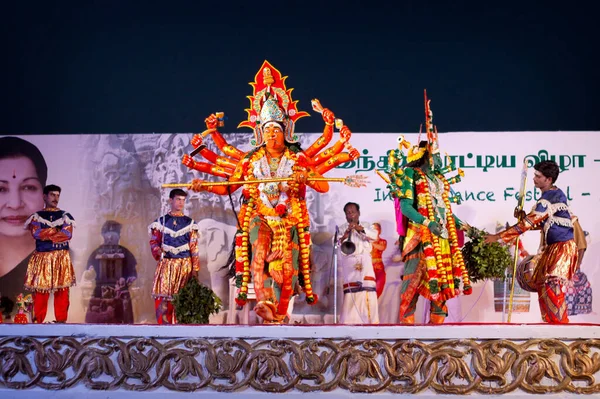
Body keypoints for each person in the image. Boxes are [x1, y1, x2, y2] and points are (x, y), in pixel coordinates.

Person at [184, 61, 359, 324]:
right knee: (259, 254)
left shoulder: (298, 158)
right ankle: (265, 303)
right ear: (260, 133)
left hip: (290, 222)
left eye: (276, 130)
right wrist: (200, 182)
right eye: (266, 130)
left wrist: (306, 176)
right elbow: (227, 188)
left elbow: (322, 186)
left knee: (285, 269)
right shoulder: (250, 161)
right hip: (260, 218)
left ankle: (278, 313)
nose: (271, 135)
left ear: (286, 131)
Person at [381, 93, 473, 325]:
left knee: (442, 279)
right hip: (421, 237)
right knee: (413, 279)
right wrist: (428, 223)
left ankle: (436, 330)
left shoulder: (440, 180)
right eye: (435, 153)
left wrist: (463, 225)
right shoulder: (412, 174)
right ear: (424, 155)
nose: (440, 158)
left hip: (442, 237)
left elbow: (443, 209)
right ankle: (405, 329)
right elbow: (406, 207)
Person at [485, 160, 578, 323]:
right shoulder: (551, 195)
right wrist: (523, 217)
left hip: (562, 248)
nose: (534, 179)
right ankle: (550, 329)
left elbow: (529, 223)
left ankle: (561, 330)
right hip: (553, 248)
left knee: (552, 287)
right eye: (534, 175)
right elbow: (540, 223)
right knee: (544, 286)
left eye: (538, 176)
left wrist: (498, 237)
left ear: (548, 179)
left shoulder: (550, 198)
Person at [0, 136, 47, 321]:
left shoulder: (63, 263)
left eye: (28, 187)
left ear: (45, 195)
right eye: (0, 189)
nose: (15, 204)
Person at [24, 184, 76, 323]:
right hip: (42, 257)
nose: (55, 198)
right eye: (52, 195)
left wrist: (47, 232)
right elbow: (36, 233)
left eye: (58, 195)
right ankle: (38, 322)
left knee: (62, 291)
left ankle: (61, 322)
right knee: (41, 289)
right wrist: (56, 231)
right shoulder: (37, 216)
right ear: (44, 196)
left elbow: (67, 234)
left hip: (61, 257)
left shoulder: (65, 215)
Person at [148, 189, 200, 324]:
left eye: (183, 200)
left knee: (182, 297)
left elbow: (194, 247)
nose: (181, 203)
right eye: (178, 199)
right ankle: (164, 329)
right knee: (164, 296)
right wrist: (158, 251)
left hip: (184, 266)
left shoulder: (190, 223)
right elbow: (154, 241)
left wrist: (195, 268)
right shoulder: (161, 222)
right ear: (171, 200)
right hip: (167, 264)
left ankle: (181, 328)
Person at [337, 202, 379, 324]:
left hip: (365, 264)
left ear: (358, 213)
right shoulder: (341, 228)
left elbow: (374, 236)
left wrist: (360, 229)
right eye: (348, 213)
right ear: (345, 216)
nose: (351, 215)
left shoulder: (367, 225)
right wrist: (345, 235)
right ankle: (349, 323)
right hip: (349, 265)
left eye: (353, 212)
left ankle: (370, 322)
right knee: (351, 295)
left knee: (367, 292)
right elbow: (336, 244)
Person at [370, 223, 387, 298]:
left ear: (380, 231)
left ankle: (373, 304)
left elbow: (382, 248)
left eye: (376, 229)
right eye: (373, 229)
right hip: (369, 268)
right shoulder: (367, 241)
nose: (375, 231)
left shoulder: (383, 241)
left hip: (379, 268)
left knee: (379, 287)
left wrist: (372, 243)